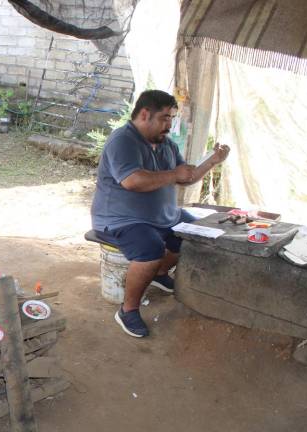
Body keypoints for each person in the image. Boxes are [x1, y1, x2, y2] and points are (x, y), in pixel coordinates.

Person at [91, 90, 230, 338]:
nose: (169, 125)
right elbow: (132, 181)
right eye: (165, 118)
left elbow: (185, 177)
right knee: (150, 249)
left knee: (195, 235)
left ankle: (159, 274)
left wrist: (213, 161)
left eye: (171, 118)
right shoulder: (122, 141)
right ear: (145, 114)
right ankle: (128, 310)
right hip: (120, 219)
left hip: (165, 215)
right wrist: (174, 174)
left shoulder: (166, 145)